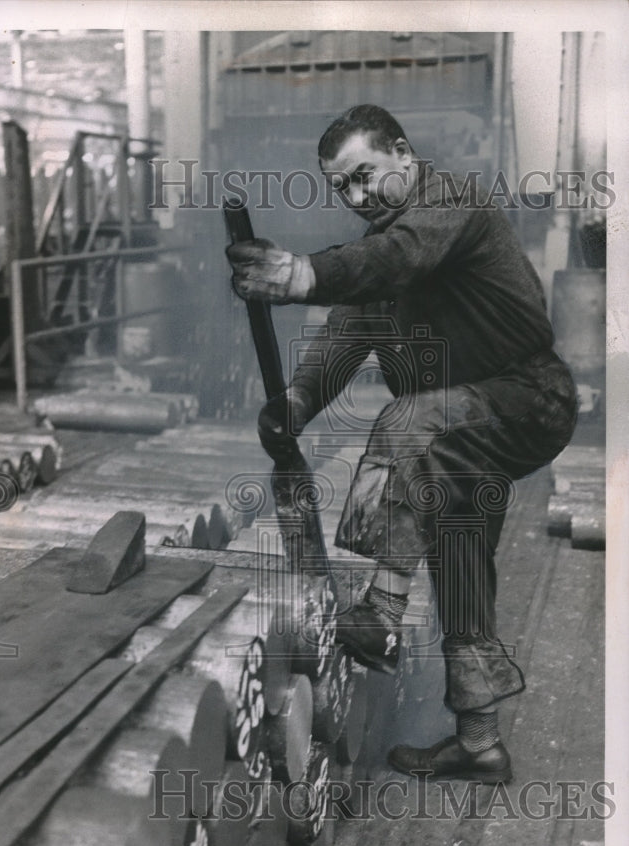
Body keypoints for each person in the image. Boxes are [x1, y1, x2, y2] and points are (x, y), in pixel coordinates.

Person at [226, 104, 577, 784]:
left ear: (403, 154)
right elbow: (337, 344)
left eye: (366, 176)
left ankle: (378, 610)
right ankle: (480, 745)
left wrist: (300, 275)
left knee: (404, 421)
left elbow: (396, 254)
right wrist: (293, 404)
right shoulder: (383, 262)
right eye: (342, 189)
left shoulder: (448, 206)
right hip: (462, 432)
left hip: (528, 399)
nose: (358, 198)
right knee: (459, 555)